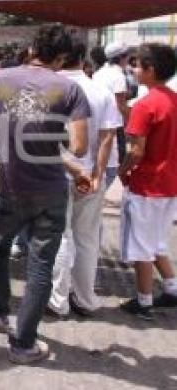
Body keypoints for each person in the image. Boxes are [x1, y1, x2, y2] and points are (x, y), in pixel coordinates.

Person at [0, 24, 91, 365]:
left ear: (33, 47)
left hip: (11, 186)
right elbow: (80, 145)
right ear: (63, 57)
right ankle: (23, 344)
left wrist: (10, 131)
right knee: (40, 265)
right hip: (50, 191)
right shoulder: (69, 89)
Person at [47, 32, 121, 318]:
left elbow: (48, 138)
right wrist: (97, 175)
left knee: (61, 237)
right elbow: (107, 138)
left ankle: (58, 299)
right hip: (91, 175)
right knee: (88, 238)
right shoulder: (101, 91)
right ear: (84, 59)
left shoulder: (53, 89)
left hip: (57, 174)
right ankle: (86, 298)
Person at [117, 43, 177, 319]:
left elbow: (136, 150)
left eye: (138, 65)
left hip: (147, 184)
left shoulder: (145, 105)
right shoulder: (173, 100)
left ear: (150, 70)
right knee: (156, 242)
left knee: (141, 245)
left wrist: (123, 170)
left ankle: (143, 301)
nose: (134, 70)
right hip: (170, 184)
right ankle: (172, 288)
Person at [93, 41, 130, 165]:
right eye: (126, 56)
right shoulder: (118, 76)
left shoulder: (98, 73)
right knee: (119, 159)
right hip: (115, 124)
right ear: (120, 58)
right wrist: (131, 122)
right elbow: (121, 105)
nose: (128, 59)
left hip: (98, 120)